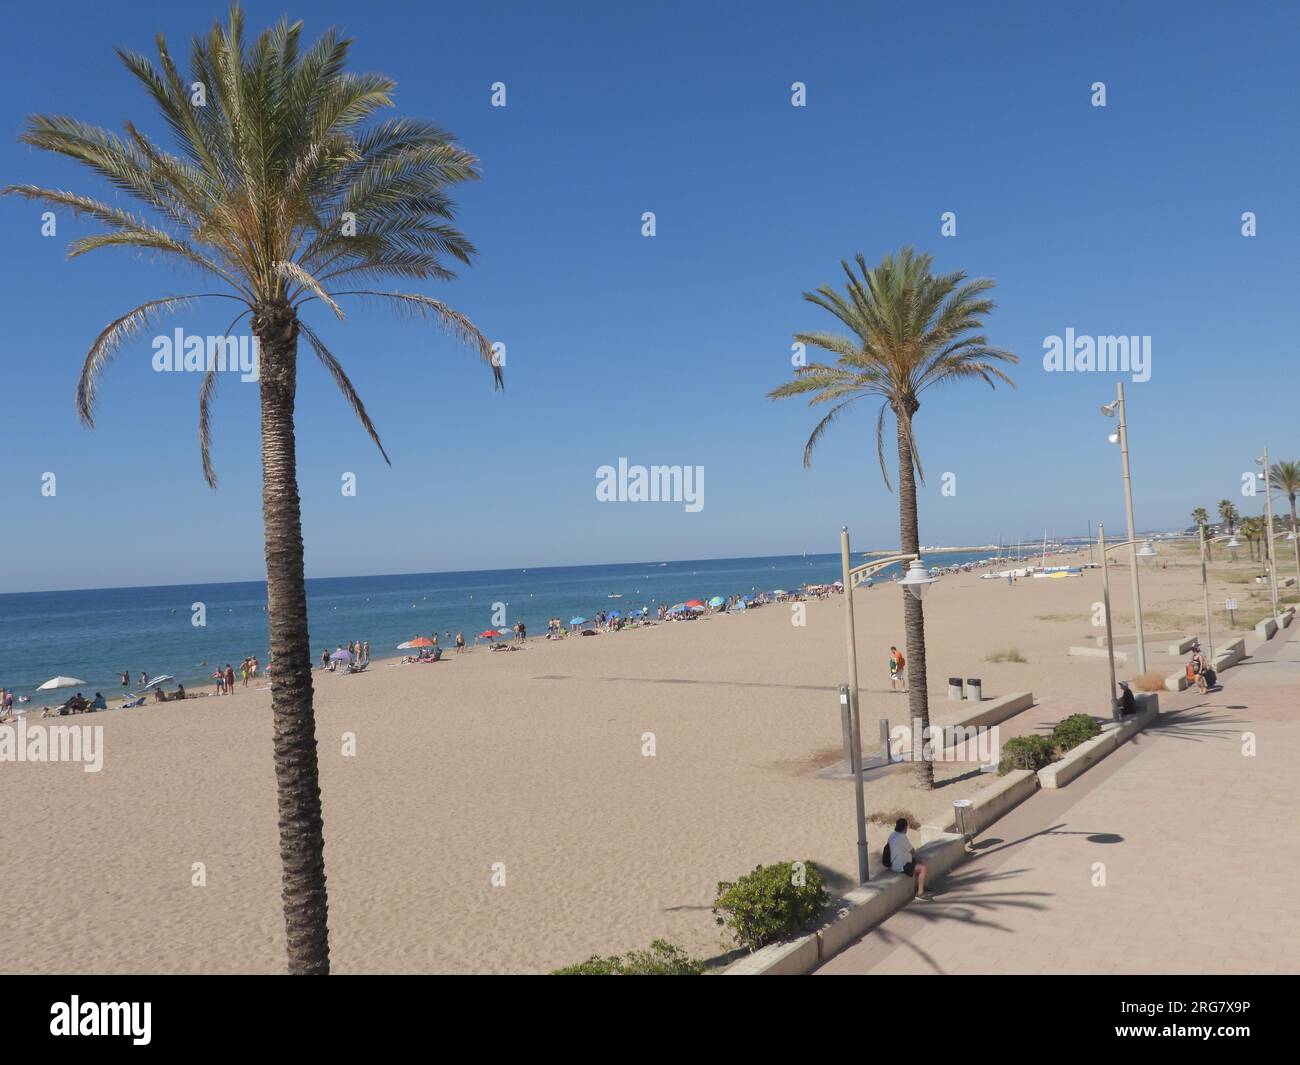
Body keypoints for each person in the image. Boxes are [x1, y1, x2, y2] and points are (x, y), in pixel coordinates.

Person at [886, 818, 931, 901]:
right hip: (901, 866)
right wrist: (915, 857)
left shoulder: (892, 835)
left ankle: (920, 885)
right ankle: (920, 893)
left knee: (921, 862)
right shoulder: (902, 837)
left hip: (895, 863)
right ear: (905, 827)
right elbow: (912, 850)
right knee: (923, 868)